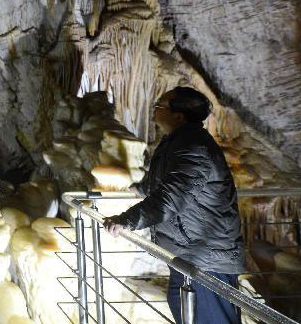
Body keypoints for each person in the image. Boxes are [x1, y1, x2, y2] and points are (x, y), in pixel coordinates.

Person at [103, 87, 245, 324]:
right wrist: (138, 189)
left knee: (207, 317)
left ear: (179, 116)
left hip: (206, 257)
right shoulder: (177, 142)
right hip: (187, 252)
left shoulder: (193, 147)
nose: (155, 107)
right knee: (186, 311)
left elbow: (172, 196)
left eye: (160, 105)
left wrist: (126, 220)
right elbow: (164, 181)